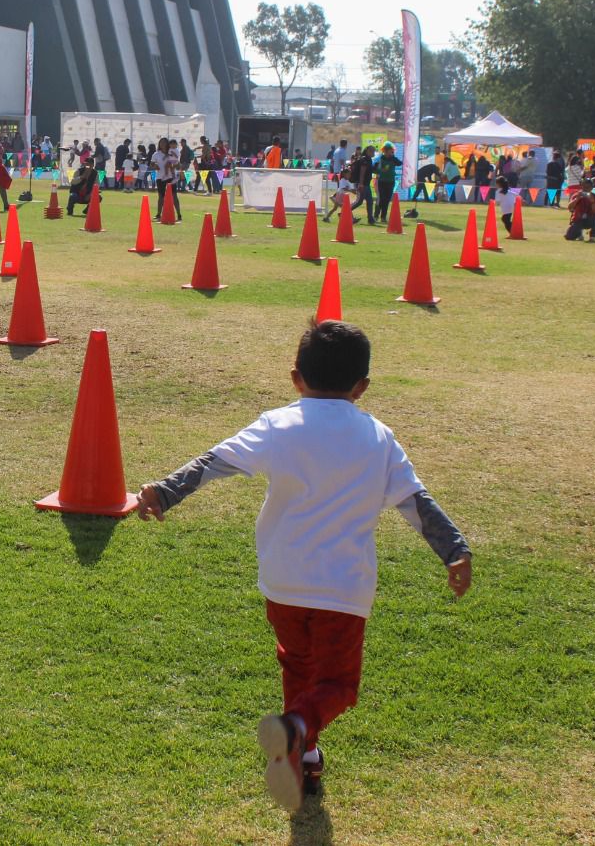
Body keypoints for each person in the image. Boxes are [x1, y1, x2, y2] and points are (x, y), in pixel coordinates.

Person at [134, 319, 471, 811]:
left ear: (296, 378)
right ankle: (295, 729)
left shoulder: (277, 424)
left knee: (297, 665)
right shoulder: (378, 437)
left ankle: (304, 755)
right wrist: (454, 549)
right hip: (342, 587)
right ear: (362, 386)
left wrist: (165, 491)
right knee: (337, 686)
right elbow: (414, 502)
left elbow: (215, 462)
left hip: (283, 579)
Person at [565, 177, 595, 241]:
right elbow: (569, 208)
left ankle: (592, 236)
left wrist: (592, 201)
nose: (586, 189)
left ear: (591, 188)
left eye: (588, 187)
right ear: (581, 187)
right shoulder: (577, 195)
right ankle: (579, 233)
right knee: (569, 237)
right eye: (584, 187)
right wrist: (577, 199)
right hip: (578, 219)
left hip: (590, 219)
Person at [371, 144, 401, 224]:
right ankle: (376, 216)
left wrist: (393, 156)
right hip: (381, 181)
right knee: (381, 199)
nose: (390, 152)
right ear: (384, 151)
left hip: (390, 181)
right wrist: (379, 170)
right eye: (389, 151)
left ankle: (383, 217)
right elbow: (374, 168)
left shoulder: (393, 159)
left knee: (387, 200)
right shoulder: (380, 159)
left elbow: (399, 163)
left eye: (391, 151)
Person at [66, 150, 97, 215]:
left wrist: (90, 194)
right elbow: (72, 182)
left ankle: (87, 211)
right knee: (72, 196)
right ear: (84, 164)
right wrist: (81, 177)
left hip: (87, 194)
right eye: (87, 164)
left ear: (93, 165)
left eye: (90, 164)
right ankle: (69, 210)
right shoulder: (78, 171)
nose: (88, 166)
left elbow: (97, 185)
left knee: (98, 197)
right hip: (77, 193)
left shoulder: (95, 173)